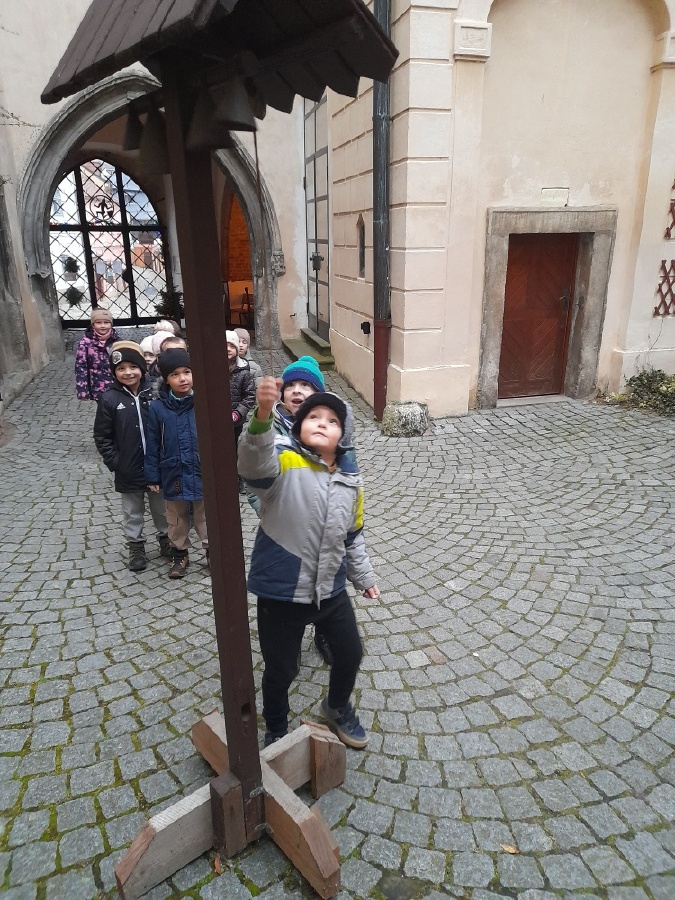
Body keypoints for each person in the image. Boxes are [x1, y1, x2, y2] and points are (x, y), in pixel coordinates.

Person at [238, 377, 380, 749]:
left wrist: (364, 576)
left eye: (332, 420)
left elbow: (353, 534)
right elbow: (252, 466)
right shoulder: (282, 459)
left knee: (350, 653)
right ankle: (276, 727)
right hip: (281, 591)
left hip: (330, 588)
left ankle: (336, 706)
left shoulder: (351, 480)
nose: (321, 423)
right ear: (298, 426)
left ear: (343, 434)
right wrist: (262, 415)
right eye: (313, 417)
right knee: (282, 668)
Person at [245, 355, 334, 665]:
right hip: (284, 528)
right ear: (282, 393)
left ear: (318, 394)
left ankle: (324, 631)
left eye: (306, 385)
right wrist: (265, 509)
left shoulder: (331, 426)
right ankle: (289, 641)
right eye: (291, 384)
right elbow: (252, 474)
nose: (297, 390)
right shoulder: (269, 427)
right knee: (289, 587)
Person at [93, 340, 170, 571]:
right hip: (127, 467)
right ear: (114, 372)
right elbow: (102, 435)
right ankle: (136, 546)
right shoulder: (109, 398)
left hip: (157, 465)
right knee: (132, 511)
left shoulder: (155, 392)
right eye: (121, 369)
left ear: (142, 368)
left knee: (162, 508)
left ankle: (166, 539)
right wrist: (115, 462)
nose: (128, 373)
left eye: (133, 367)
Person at [145, 348, 208, 578]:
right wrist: (152, 475)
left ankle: (212, 550)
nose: (183, 378)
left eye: (187, 372)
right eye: (175, 374)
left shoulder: (204, 402)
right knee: (176, 517)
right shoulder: (158, 408)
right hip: (173, 470)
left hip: (201, 469)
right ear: (166, 379)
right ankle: (179, 552)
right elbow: (152, 442)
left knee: (205, 515)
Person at [226, 330, 255, 491]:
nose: (228, 349)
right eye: (225, 345)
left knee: (236, 449)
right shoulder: (214, 368)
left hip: (236, 420)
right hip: (218, 420)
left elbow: (250, 396)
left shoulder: (244, 372)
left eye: (231, 346)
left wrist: (238, 413)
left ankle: (238, 478)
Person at [75, 307, 119, 401]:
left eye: (106, 322)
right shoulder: (85, 342)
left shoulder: (118, 341)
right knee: (103, 409)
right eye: (98, 322)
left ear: (111, 324)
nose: (103, 326)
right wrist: (82, 390)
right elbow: (81, 366)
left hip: (117, 387)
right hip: (97, 387)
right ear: (93, 325)